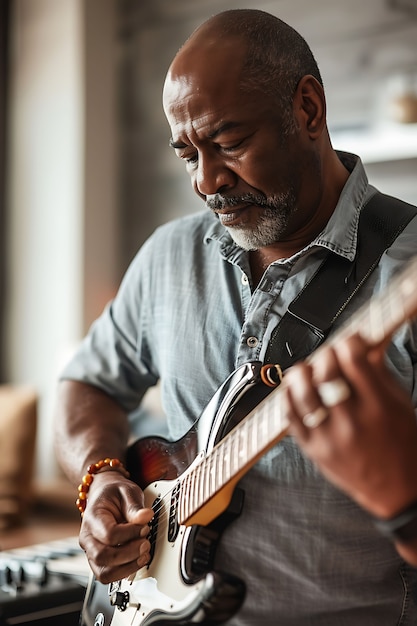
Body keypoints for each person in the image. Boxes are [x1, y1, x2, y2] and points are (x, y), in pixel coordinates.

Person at [53, 8, 417, 625]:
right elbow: (86, 382)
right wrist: (103, 475)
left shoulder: (402, 272)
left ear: (307, 109)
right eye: (188, 153)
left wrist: (400, 496)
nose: (207, 180)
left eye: (228, 142)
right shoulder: (168, 256)